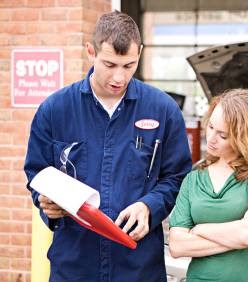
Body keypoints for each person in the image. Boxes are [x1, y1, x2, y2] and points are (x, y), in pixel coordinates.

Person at [24, 11, 192, 282]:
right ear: (90, 51)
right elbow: (36, 174)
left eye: (128, 66)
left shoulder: (163, 111)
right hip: (74, 267)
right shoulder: (54, 111)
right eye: (110, 64)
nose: (119, 77)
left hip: (139, 269)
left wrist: (150, 206)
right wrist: (46, 203)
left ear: (140, 54)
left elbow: (178, 177)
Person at [169, 88, 248, 281]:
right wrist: (237, 234)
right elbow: (177, 246)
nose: (211, 138)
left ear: (246, 137)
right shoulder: (194, 179)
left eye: (223, 135)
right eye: (210, 127)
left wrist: (201, 230)